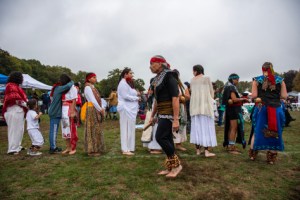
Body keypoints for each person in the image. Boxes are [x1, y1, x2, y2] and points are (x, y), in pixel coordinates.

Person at [149, 55, 182, 178]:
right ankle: (171, 166)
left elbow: (175, 98)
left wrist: (176, 119)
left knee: (160, 137)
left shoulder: (169, 75)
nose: (150, 66)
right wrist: (152, 116)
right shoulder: (156, 79)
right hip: (161, 112)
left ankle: (177, 165)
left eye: (152, 63)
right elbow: (157, 101)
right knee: (167, 139)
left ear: (160, 63)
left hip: (169, 113)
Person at [249, 62, 287, 164]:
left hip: (262, 108)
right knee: (275, 132)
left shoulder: (256, 80)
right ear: (272, 68)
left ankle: (253, 155)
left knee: (257, 130)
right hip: (276, 108)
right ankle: (271, 158)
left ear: (263, 69)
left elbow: (254, 95)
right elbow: (284, 96)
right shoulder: (280, 80)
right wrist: (274, 96)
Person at [189, 65, 217, 157]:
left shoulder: (192, 80)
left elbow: (192, 92)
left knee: (197, 129)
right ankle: (206, 151)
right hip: (205, 108)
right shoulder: (207, 78)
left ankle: (198, 150)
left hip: (195, 108)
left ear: (196, 71)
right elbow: (211, 93)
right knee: (206, 129)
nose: (193, 72)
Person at [222, 74, 249, 154]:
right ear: (233, 79)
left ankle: (230, 145)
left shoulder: (227, 86)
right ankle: (231, 147)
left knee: (230, 127)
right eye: (237, 79)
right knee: (234, 127)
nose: (238, 81)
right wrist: (243, 99)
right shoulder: (231, 87)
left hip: (230, 109)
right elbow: (233, 99)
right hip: (234, 109)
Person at [3, 71, 28, 155]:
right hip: (13, 110)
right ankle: (12, 149)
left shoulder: (16, 86)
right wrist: (27, 104)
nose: (22, 79)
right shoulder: (10, 86)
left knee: (20, 130)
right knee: (14, 130)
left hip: (18, 110)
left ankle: (17, 146)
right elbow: (15, 99)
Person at [48, 74, 74, 154]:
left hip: (53, 111)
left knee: (53, 130)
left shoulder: (56, 88)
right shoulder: (59, 88)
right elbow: (69, 85)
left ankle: (53, 146)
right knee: (54, 130)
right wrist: (72, 81)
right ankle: (53, 148)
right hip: (55, 112)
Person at [117, 68, 140, 156]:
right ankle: (125, 149)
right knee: (125, 128)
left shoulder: (126, 84)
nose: (132, 75)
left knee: (129, 128)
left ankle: (129, 147)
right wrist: (137, 98)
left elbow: (129, 94)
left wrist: (136, 94)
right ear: (125, 74)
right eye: (130, 73)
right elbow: (125, 96)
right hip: (125, 108)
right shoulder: (122, 84)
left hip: (129, 108)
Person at [83, 73, 105, 156]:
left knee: (96, 129)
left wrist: (100, 108)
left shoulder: (92, 87)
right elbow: (92, 100)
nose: (95, 79)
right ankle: (91, 150)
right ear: (89, 79)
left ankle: (96, 148)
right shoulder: (88, 87)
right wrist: (100, 109)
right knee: (92, 129)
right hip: (92, 109)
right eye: (94, 77)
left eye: (96, 77)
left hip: (94, 108)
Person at [172, 69, 188, 151]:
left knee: (181, 124)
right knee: (173, 125)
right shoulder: (170, 84)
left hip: (181, 107)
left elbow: (187, 96)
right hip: (172, 107)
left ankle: (178, 143)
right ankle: (173, 143)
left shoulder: (181, 85)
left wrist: (183, 98)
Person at [61, 84, 78, 155]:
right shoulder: (62, 87)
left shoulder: (72, 87)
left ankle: (73, 148)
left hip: (69, 108)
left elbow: (74, 99)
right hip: (63, 109)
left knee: (71, 129)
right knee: (65, 129)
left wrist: (72, 111)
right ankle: (68, 147)